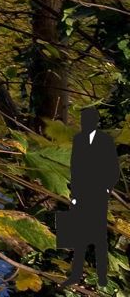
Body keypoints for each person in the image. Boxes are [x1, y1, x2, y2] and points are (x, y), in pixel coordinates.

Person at [58, 107, 120, 285]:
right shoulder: (78, 140)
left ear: (94, 121)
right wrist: (74, 193)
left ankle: (102, 276)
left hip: (98, 193)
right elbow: (75, 168)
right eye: (83, 120)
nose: (84, 123)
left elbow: (113, 169)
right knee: (79, 235)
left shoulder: (105, 141)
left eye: (87, 120)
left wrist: (106, 189)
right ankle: (75, 273)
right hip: (81, 193)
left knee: (100, 236)